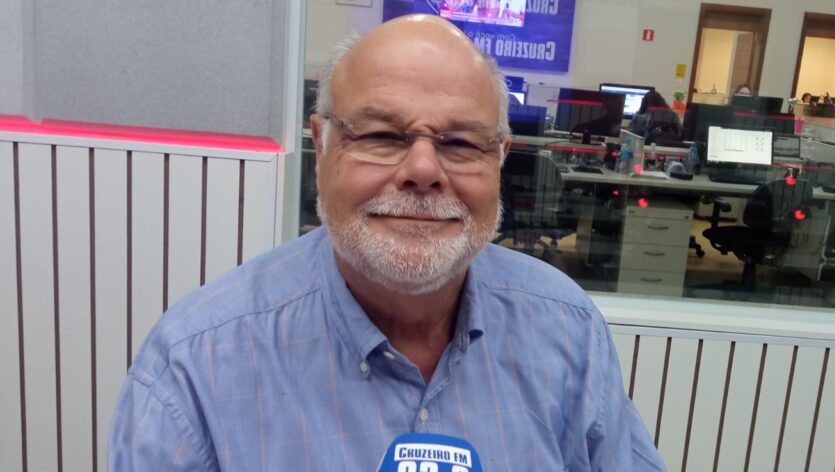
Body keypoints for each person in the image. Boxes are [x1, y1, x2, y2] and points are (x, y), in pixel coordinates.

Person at [108, 14, 665, 471]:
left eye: (461, 142)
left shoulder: (569, 333)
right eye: (380, 135)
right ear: (322, 145)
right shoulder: (194, 368)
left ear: (499, 158)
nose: (423, 170)